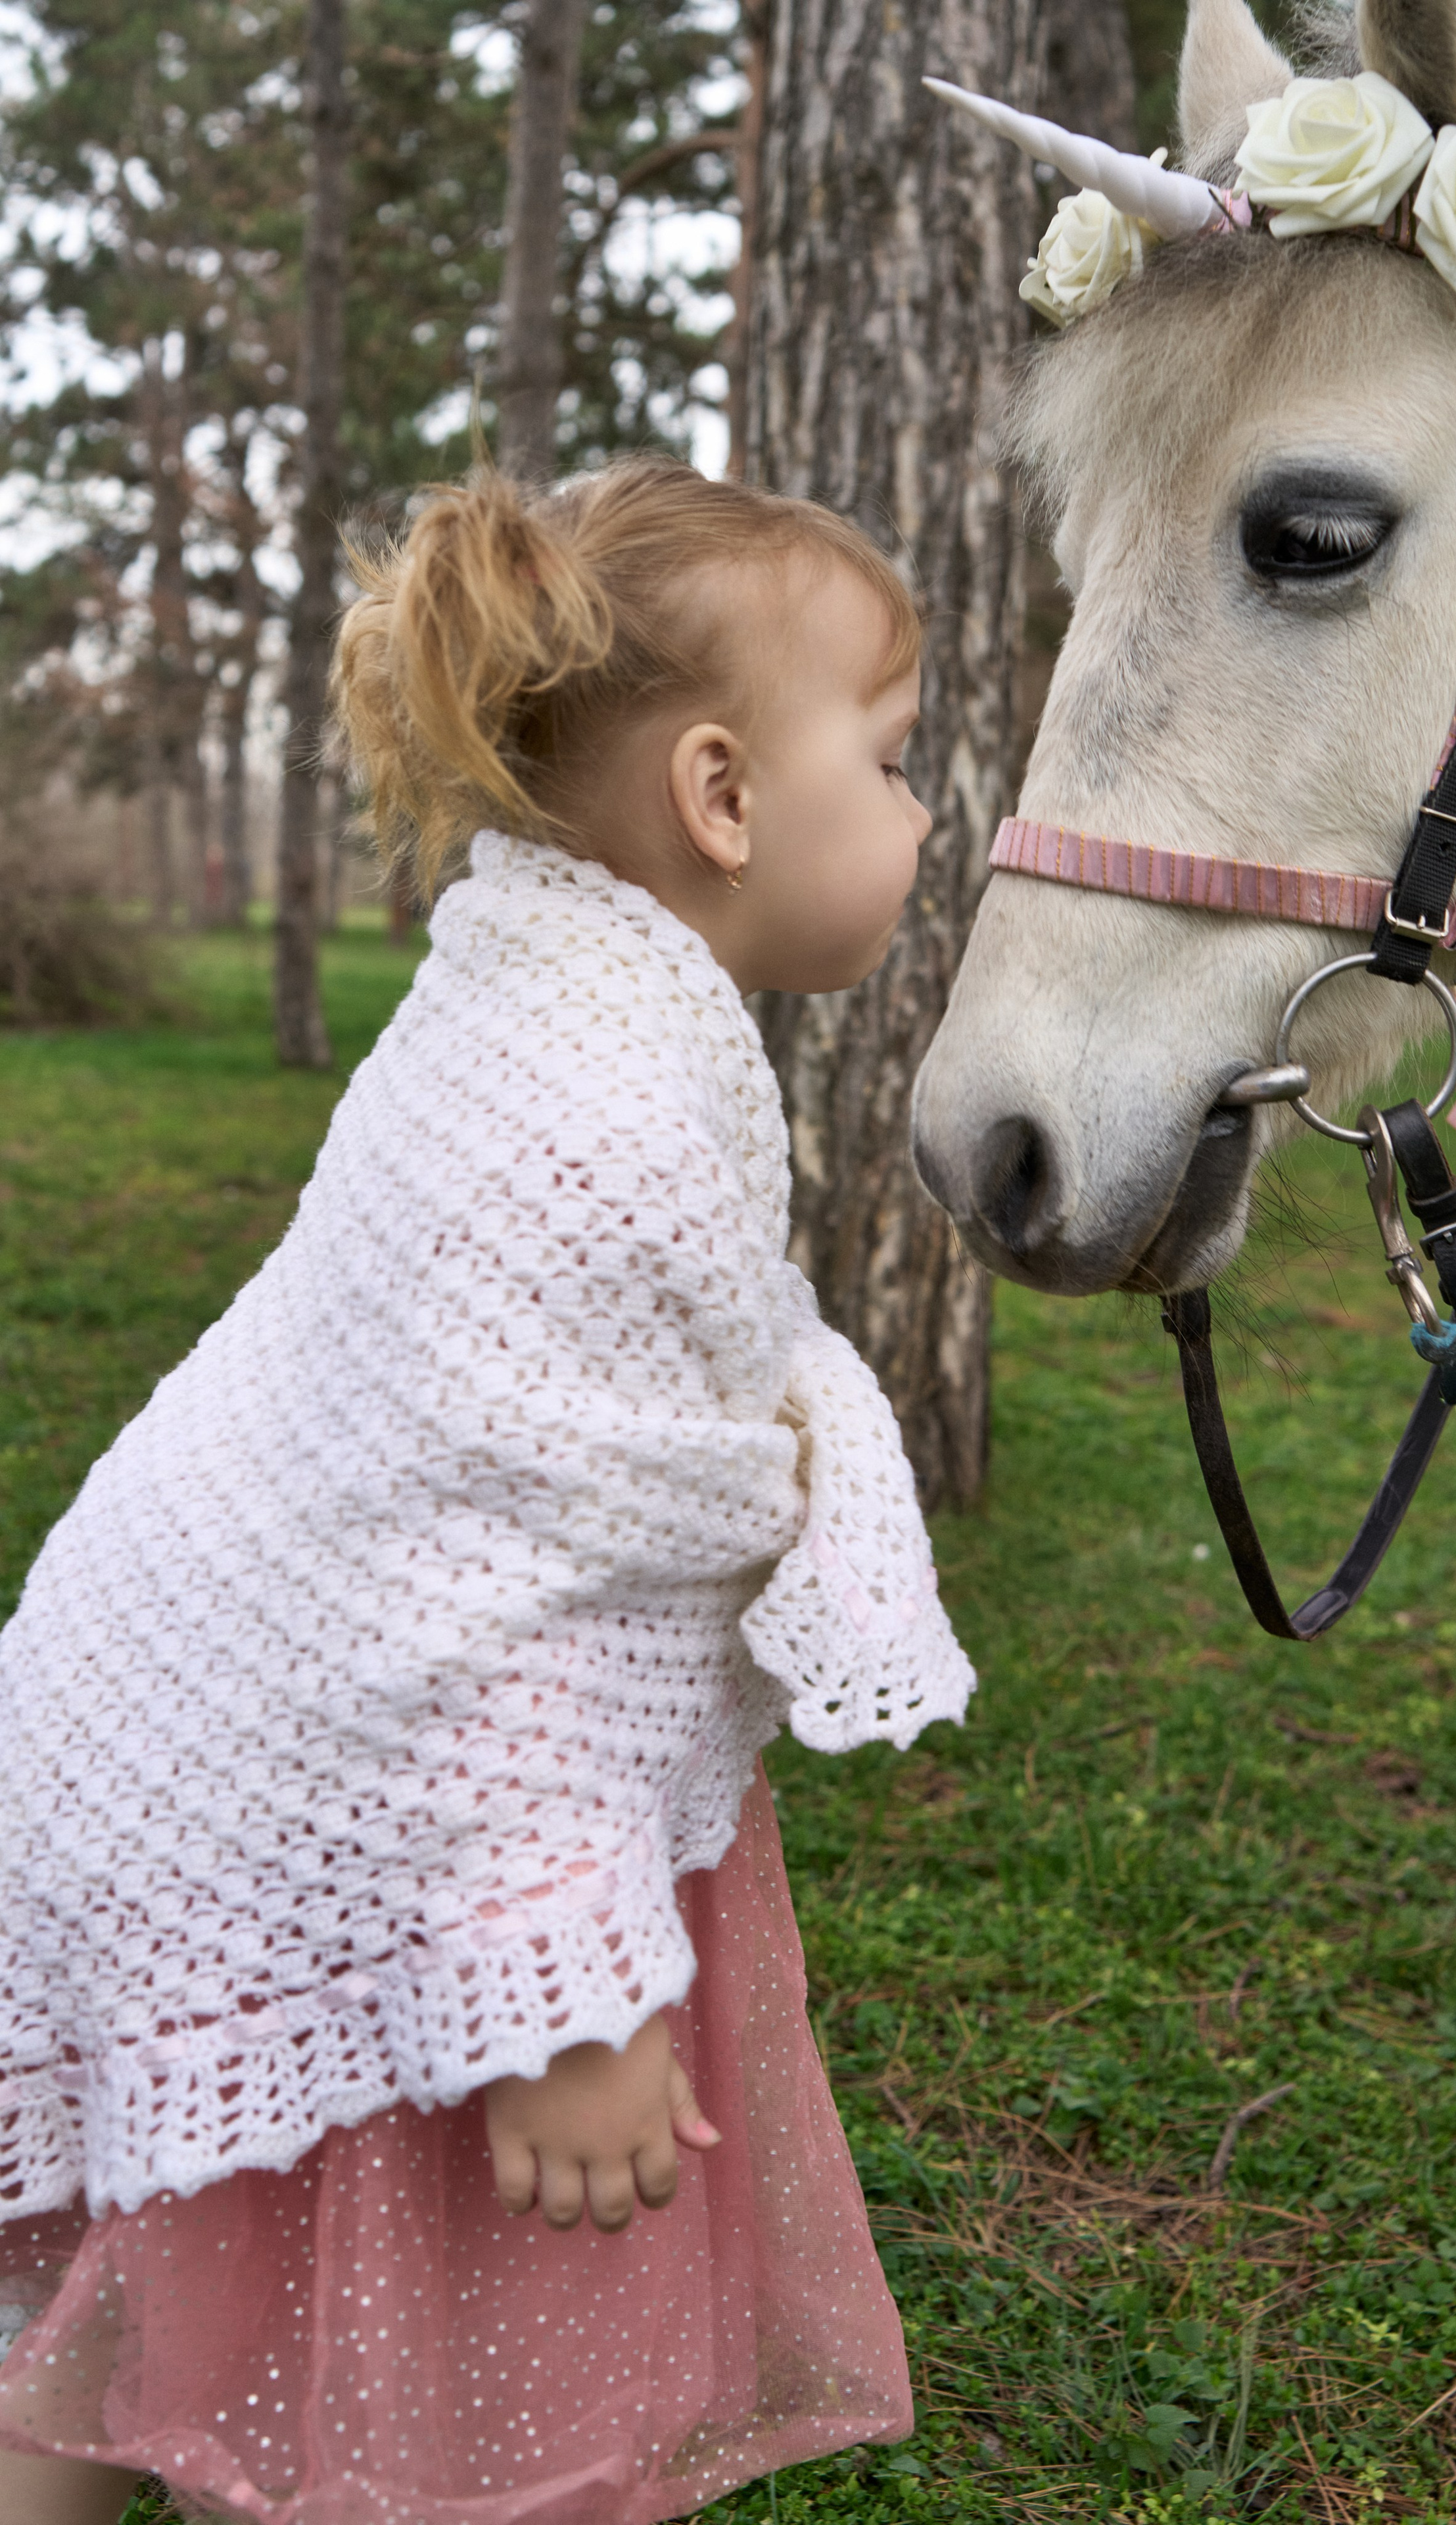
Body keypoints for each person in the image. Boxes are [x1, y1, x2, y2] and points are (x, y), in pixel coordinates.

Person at [0, 457, 975, 2525]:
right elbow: (464, 1585)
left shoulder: (555, 999)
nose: (919, 818)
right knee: (427, 2356)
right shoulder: (586, 1107)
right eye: (891, 764)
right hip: (369, 1805)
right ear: (721, 796)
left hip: (222, 1755)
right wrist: (553, 1993)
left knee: (159, 2278)